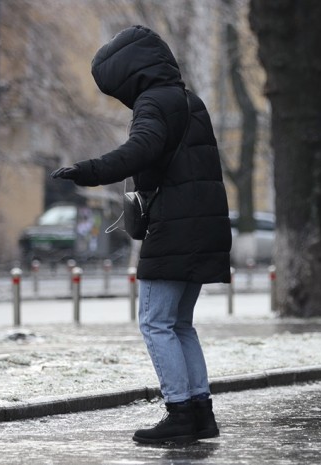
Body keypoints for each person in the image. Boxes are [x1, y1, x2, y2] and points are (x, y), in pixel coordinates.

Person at [50, 25, 231, 445]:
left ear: (130, 76)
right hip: (203, 227)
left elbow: (141, 149)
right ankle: (201, 413)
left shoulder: (154, 103)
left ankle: (180, 412)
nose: (121, 99)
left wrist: (90, 171)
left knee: (154, 322)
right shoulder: (190, 101)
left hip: (174, 230)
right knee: (179, 323)